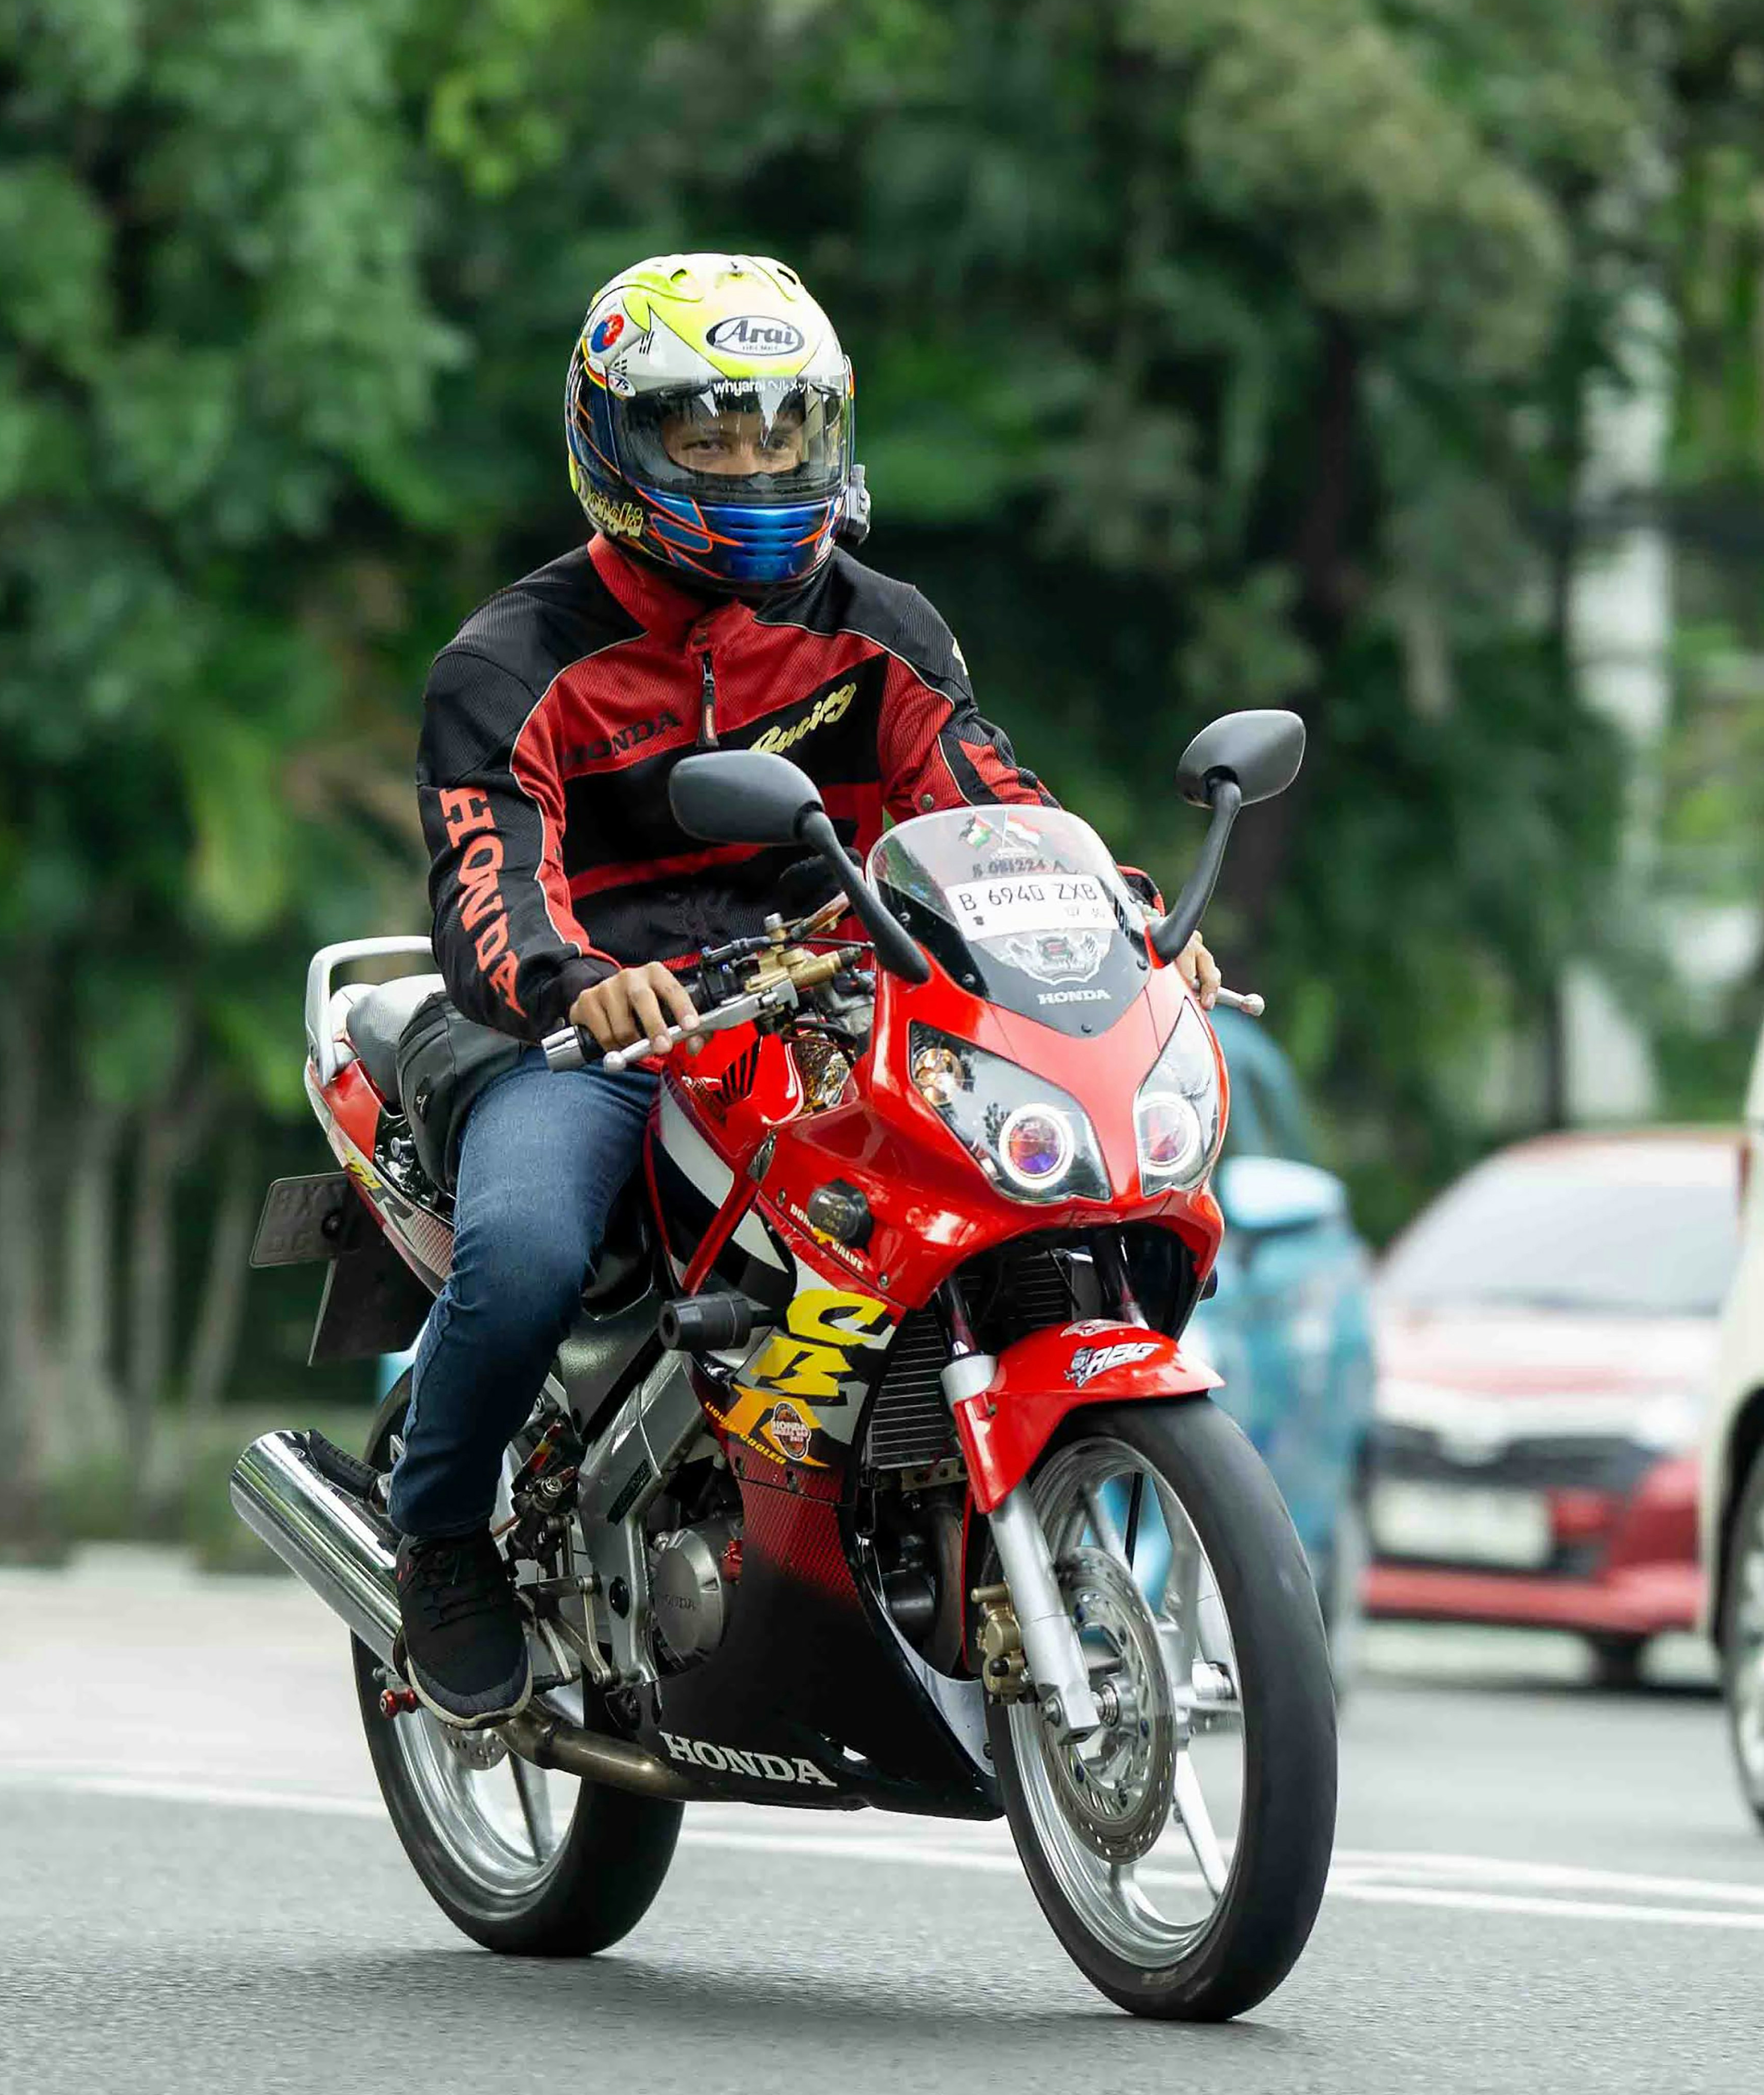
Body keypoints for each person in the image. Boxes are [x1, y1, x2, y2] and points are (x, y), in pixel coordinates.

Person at [391, 253, 1222, 1721]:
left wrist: (1124, 920)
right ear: (616, 444)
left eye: (784, 432)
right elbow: (487, 890)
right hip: (594, 1030)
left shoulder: (879, 623)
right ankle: (442, 1538)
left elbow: (990, 797)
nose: (756, 466)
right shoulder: (508, 662)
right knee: (520, 1255)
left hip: (829, 1002)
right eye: (711, 436)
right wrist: (578, 983)